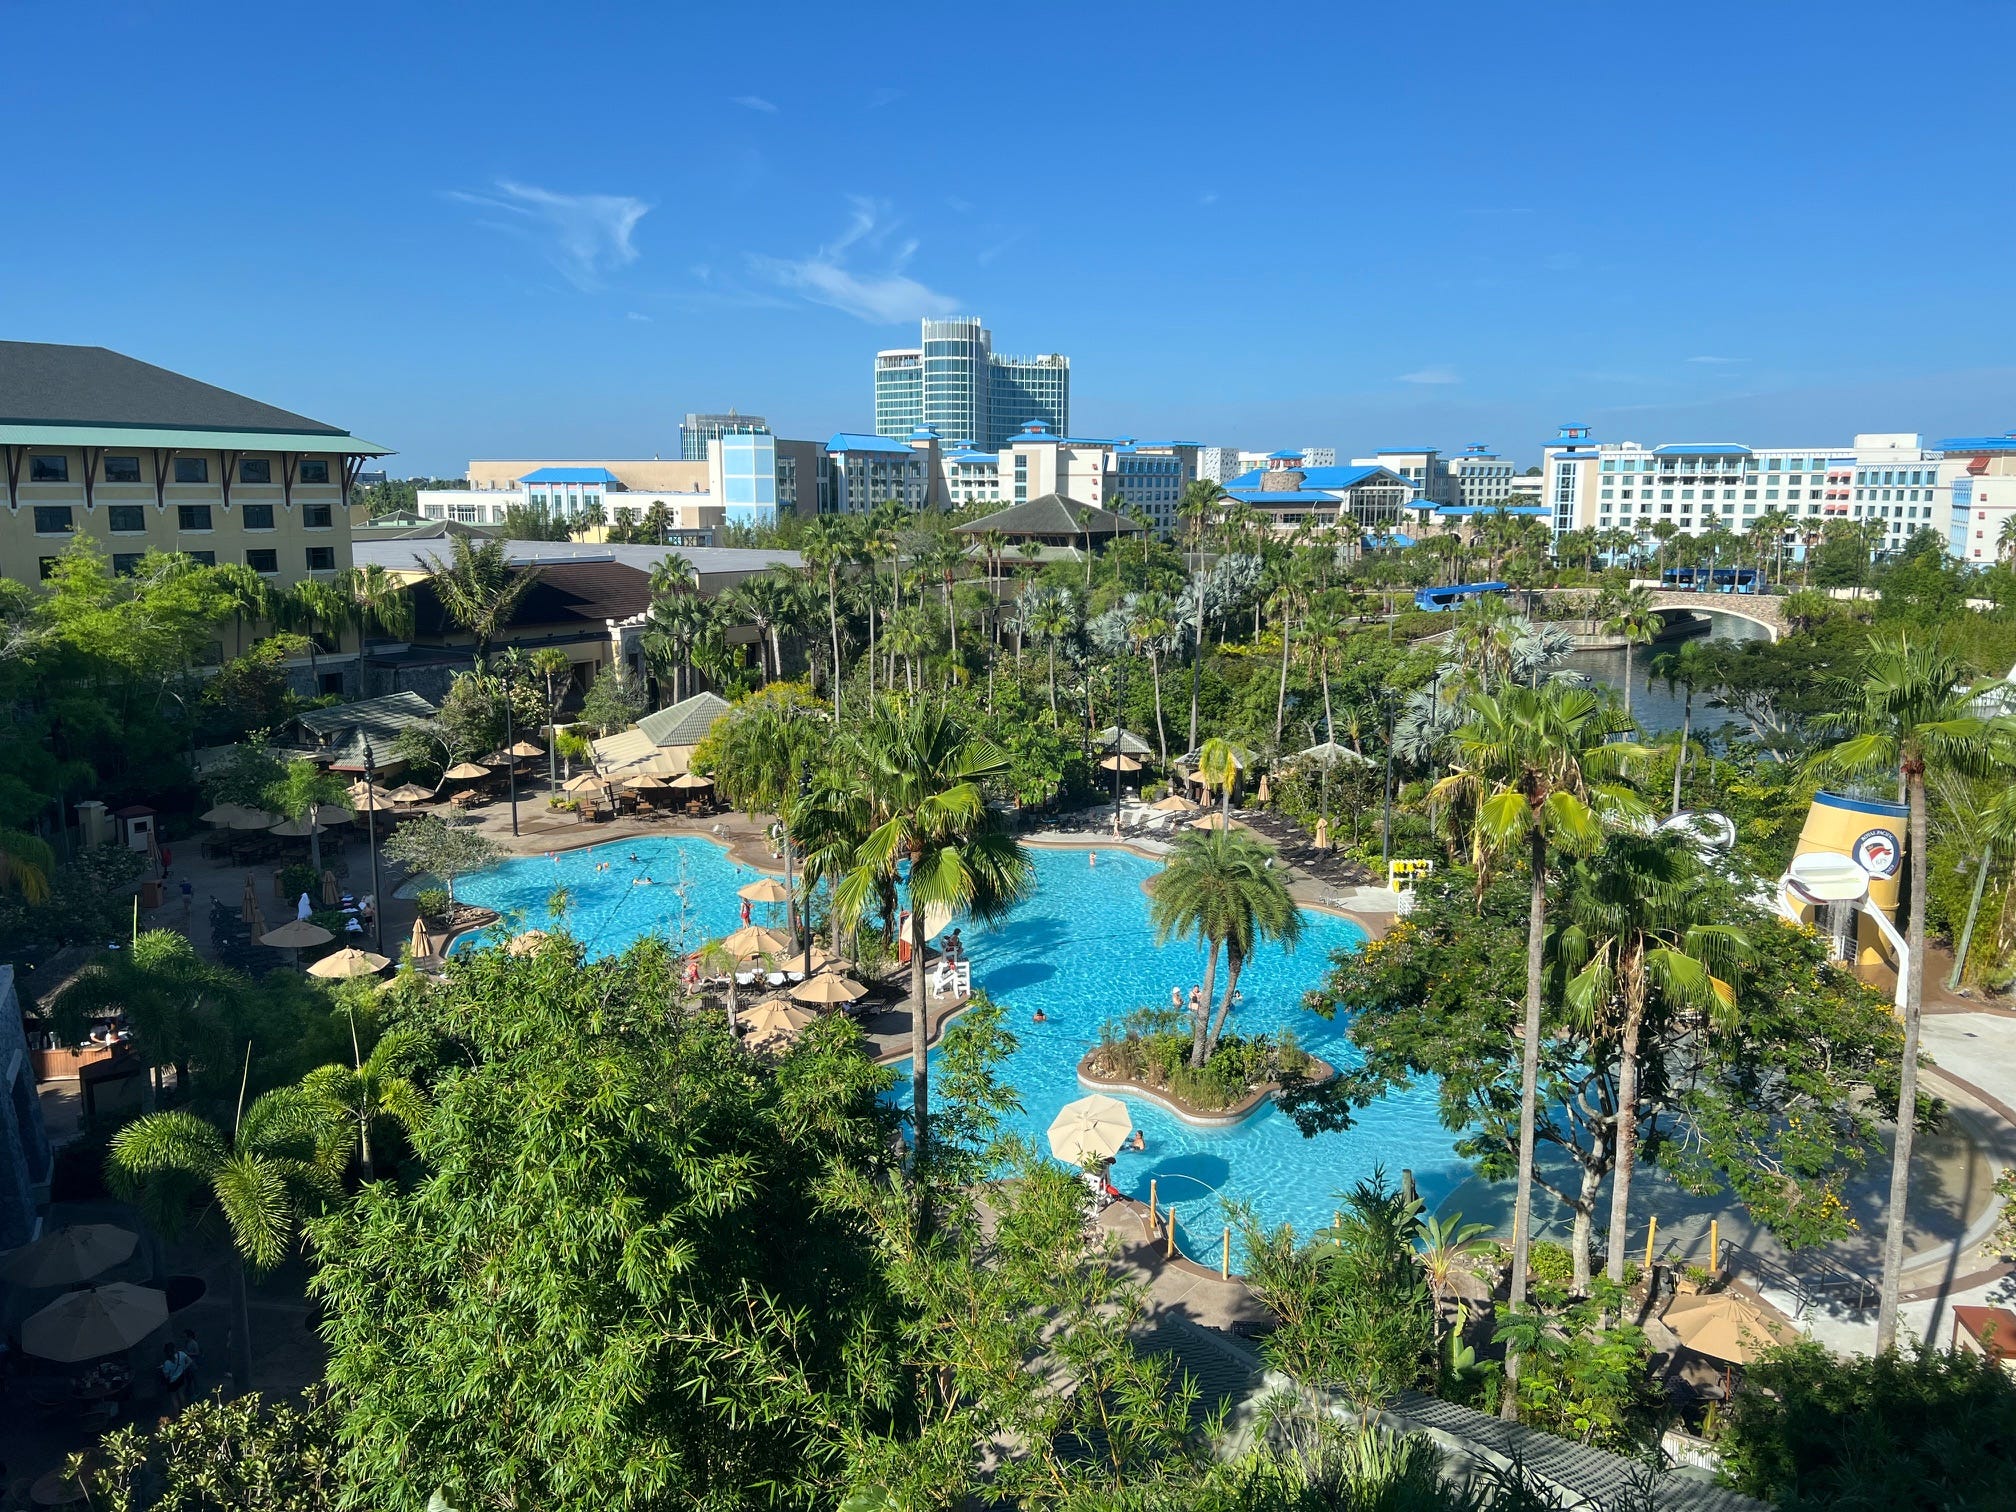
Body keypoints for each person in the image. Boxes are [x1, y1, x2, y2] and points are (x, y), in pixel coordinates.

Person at [158, 1341, 190, 1409]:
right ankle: (186, 1411)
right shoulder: (181, 1354)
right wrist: (183, 1368)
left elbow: (166, 1375)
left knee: (174, 1398)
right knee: (181, 1394)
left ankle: (177, 1415)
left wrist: (162, 1368)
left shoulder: (167, 1363)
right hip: (181, 1377)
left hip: (172, 1382)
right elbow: (189, 1361)